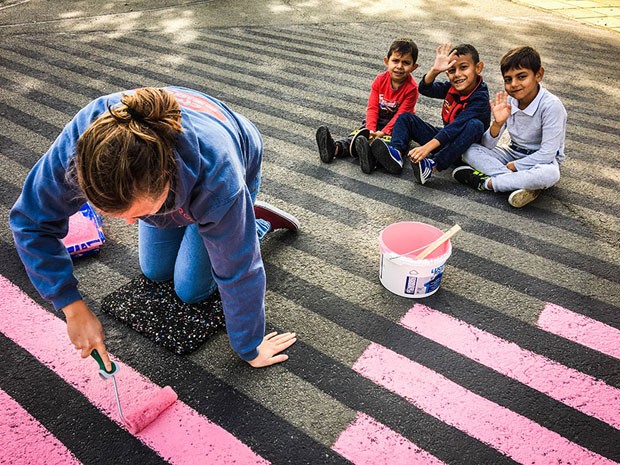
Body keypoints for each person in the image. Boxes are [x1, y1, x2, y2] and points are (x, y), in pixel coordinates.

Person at [9, 86, 298, 370]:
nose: (130, 223)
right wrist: (72, 307)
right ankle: (200, 228)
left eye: (138, 213)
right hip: (175, 185)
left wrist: (250, 347)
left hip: (234, 161)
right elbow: (30, 221)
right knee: (155, 271)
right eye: (114, 212)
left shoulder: (220, 183)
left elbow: (239, 270)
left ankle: (253, 223)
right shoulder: (83, 143)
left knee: (191, 290)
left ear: (164, 179)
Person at [454, 46, 567, 208]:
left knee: (550, 174)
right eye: (508, 79)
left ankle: (488, 183)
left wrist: (515, 167)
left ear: (538, 75)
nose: (514, 84)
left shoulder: (551, 106)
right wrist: (497, 124)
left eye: (521, 77)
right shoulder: (509, 100)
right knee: (469, 149)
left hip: (540, 161)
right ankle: (520, 184)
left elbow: (547, 154)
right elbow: (487, 145)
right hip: (512, 151)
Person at [370, 43, 491, 183]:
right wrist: (435, 70)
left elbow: (456, 126)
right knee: (406, 118)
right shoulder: (453, 88)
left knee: (474, 125)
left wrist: (426, 148)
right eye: (452, 70)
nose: (457, 74)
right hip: (445, 139)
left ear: (478, 68)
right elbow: (425, 89)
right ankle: (396, 154)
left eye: (463, 68)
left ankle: (433, 165)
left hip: (466, 149)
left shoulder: (480, 97)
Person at [315, 38, 420, 174]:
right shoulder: (379, 80)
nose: (399, 66)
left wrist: (383, 132)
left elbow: (401, 115)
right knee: (357, 136)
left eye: (406, 63)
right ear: (387, 61)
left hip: (399, 126)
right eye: (395, 61)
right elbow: (372, 108)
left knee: (389, 145)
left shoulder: (412, 89)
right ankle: (334, 149)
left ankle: (372, 160)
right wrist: (370, 130)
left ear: (413, 67)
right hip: (377, 121)